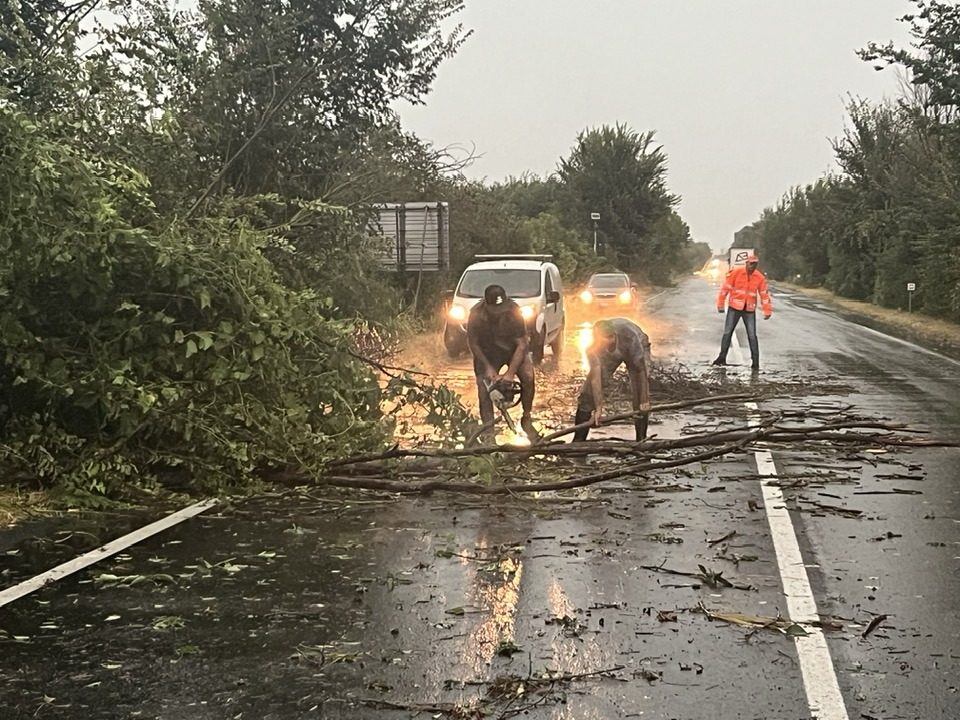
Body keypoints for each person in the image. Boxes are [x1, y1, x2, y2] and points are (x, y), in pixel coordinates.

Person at [467, 284, 539, 440]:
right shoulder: (476, 314)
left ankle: (526, 418)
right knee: (483, 387)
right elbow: (473, 343)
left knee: (528, 376)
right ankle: (488, 431)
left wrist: (510, 373)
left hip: (513, 350)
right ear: (487, 305)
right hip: (487, 353)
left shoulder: (514, 311)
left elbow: (522, 344)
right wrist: (488, 367)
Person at [572, 318, 652, 442]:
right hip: (612, 354)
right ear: (597, 339)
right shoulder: (592, 349)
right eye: (607, 338)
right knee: (587, 394)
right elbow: (595, 379)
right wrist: (598, 408)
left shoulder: (630, 338)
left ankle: (641, 438)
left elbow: (641, 370)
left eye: (612, 336)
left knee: (638, 395)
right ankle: (578, 440)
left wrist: (644, 400)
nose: (611, 340)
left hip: (637, 348)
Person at [713, 254, 772, 370]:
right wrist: (720, 304)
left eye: (755, 264)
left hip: (749, 309)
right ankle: (721, 358)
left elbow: (764, 295)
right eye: (751, 264)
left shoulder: (759, 277)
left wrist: (767, 310)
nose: (753, 266)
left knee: (752, 335)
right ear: (746, 263)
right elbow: (725, 289)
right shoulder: (736, 273)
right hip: (734, 307)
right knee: (727, 332)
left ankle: (755, 362)